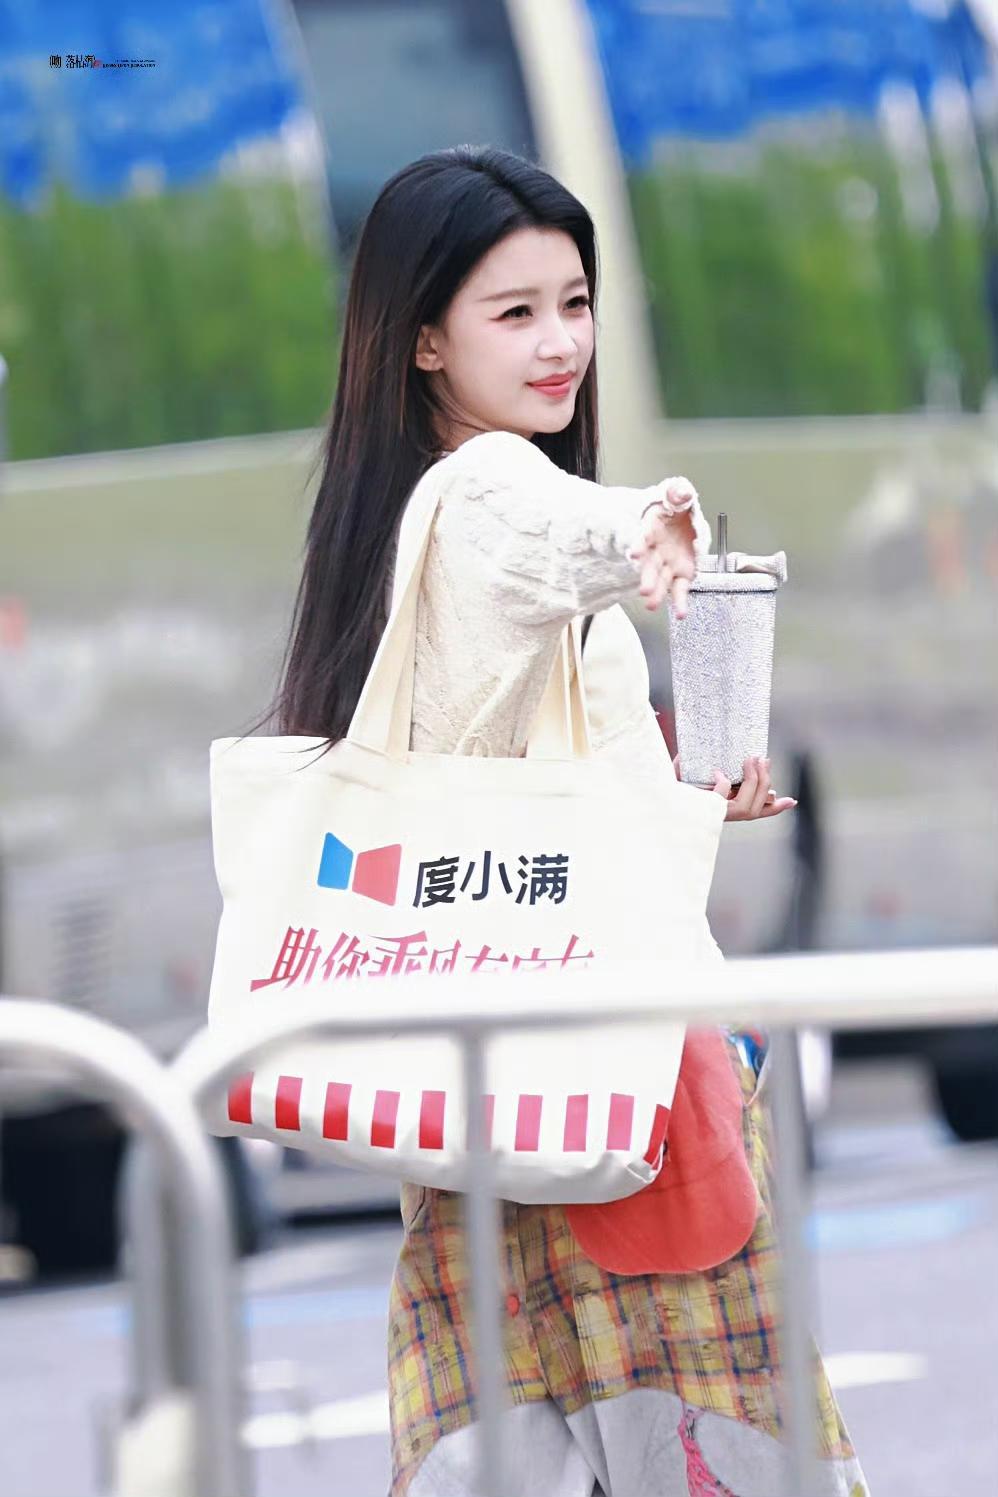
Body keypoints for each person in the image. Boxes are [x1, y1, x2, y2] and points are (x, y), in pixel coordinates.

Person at [261, 145, 869, 1496]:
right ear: (423, 339)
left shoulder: (397, 514)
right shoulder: (484, 487)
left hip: (498, 1097)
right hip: (622, 1095)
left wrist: (688, 799)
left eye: (576, 303)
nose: (561, 344)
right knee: (719, 1445)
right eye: (516, 311)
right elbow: (548, 523)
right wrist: (644, 522)